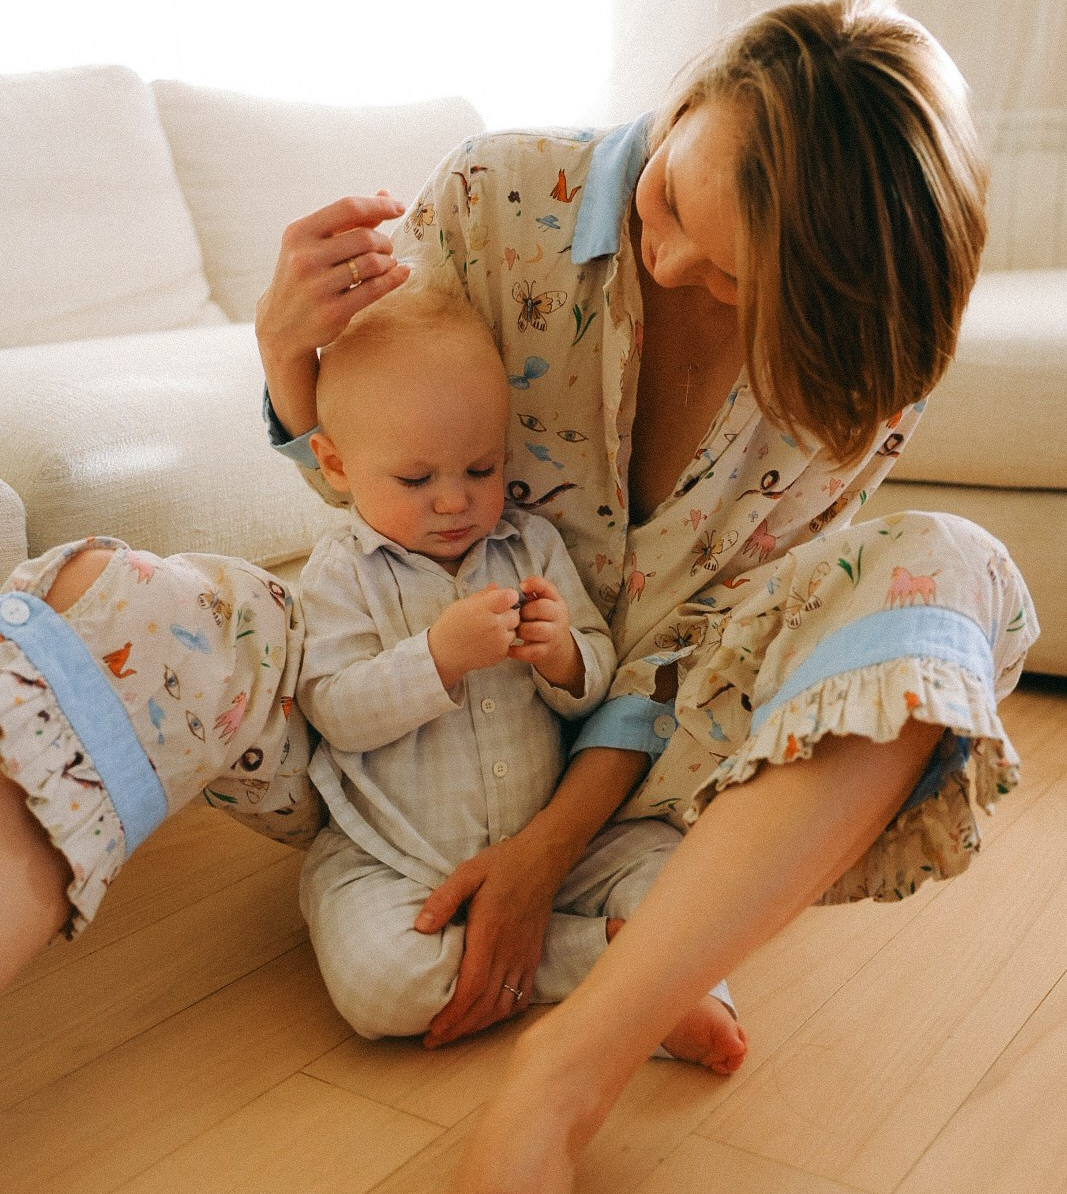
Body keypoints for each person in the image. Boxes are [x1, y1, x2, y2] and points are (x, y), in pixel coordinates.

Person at [0, 0, 1037, 1194]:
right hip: (374, 747)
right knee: (105, 597)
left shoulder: (845, 373)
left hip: (637, 779)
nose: (666, 255)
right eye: (672, 190)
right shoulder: (501, 204)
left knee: (955, 575)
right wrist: (284, 363)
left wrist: (546, 851)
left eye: (730, 278)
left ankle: (549, 1110)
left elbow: (684, 657)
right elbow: (369, 477)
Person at [294, 278, 743, 1058]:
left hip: (553, 847)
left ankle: (688, 986)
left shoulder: (528, 545)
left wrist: (564, 657)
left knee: (684, 873)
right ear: (335, 465)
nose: (455, 502)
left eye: (480, 468)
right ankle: (606, 960)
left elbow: (598, 681)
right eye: (416, 479)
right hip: (395, 855)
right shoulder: (341, 572)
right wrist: (440, 657)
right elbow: (334, 710)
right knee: (379, 981)